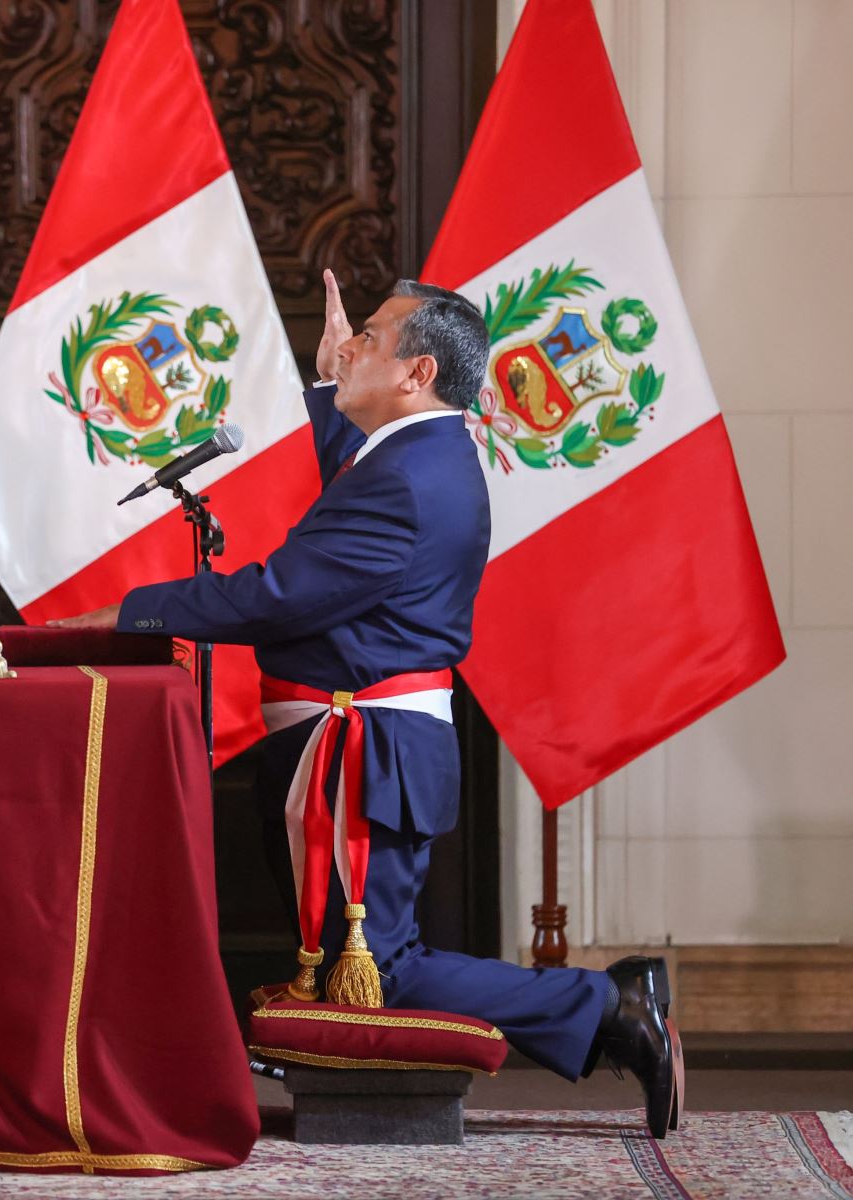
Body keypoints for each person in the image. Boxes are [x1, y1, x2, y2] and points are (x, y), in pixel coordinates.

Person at [52, 271, 682, 1138]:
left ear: (418, 373)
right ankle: (591, 1008)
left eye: (373, 340)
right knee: (356, 967)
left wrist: (129, 613)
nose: (352, 343)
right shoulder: (409, 455)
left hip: (364, 751)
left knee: (379, 974)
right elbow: (348, 503)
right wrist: (331, 381)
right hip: (357, 745)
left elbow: (279, 594)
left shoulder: (409, 482)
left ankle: (608, 1007)